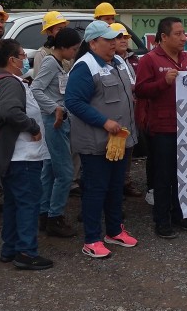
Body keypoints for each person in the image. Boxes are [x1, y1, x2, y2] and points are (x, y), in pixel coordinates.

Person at [65, 21, 139, 258]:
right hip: (95, 142)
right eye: (108, 40)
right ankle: (92, 239)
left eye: (115, 39)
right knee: (96, 190)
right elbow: (74, 102)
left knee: (116, 187)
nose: (114, 43)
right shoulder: (84, 67)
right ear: (93, 42)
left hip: (119, 140)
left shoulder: (117, 62)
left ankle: (114, 230)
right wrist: (104, 122)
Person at [0, 39, 53, 270]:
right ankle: (26, 252)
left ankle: (11, 248)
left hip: (12, 156)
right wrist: (33, 127)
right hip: (22, 156)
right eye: (23, 56)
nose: (26, 60)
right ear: (12, 60)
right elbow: (10, 112)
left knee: (14, 203)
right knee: (28, 204)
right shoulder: (10, 83)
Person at [135, 17, 187, 239]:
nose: (184, 38)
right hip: (162, 127)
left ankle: (181, 214)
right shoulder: (149, 60)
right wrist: (163, 82)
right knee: (163, 176)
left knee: (184, 174)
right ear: (163, 37)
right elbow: (141, 90)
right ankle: (162, 220)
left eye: (184, 33)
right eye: (178, 34)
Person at [31, 27, 81, 236]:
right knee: (65, 173)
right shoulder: (51, 63)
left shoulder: (61, 63)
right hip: (55, 122)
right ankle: (55, 217)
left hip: (59, 120)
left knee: (51, 168)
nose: (75, 52)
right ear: (62, 47)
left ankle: (44, 212)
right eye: (73, 49)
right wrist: (55, 108)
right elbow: (36, 88)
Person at [110, 23, 146, 198]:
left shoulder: (133, 59)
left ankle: (125, 182)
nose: (123, 40)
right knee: (115, 149)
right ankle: (114, 185)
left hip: (134, 110)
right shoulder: (108, 61)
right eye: (119, 37)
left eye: (125, 37)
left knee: (130, 146)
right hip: (117, 112)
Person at [34, 11, 70, 76]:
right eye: (59, 29)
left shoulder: (69, 50)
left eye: (65, 28)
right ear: (49, 32)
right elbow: (38, 83)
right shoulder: (42, 53)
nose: (64, 32)